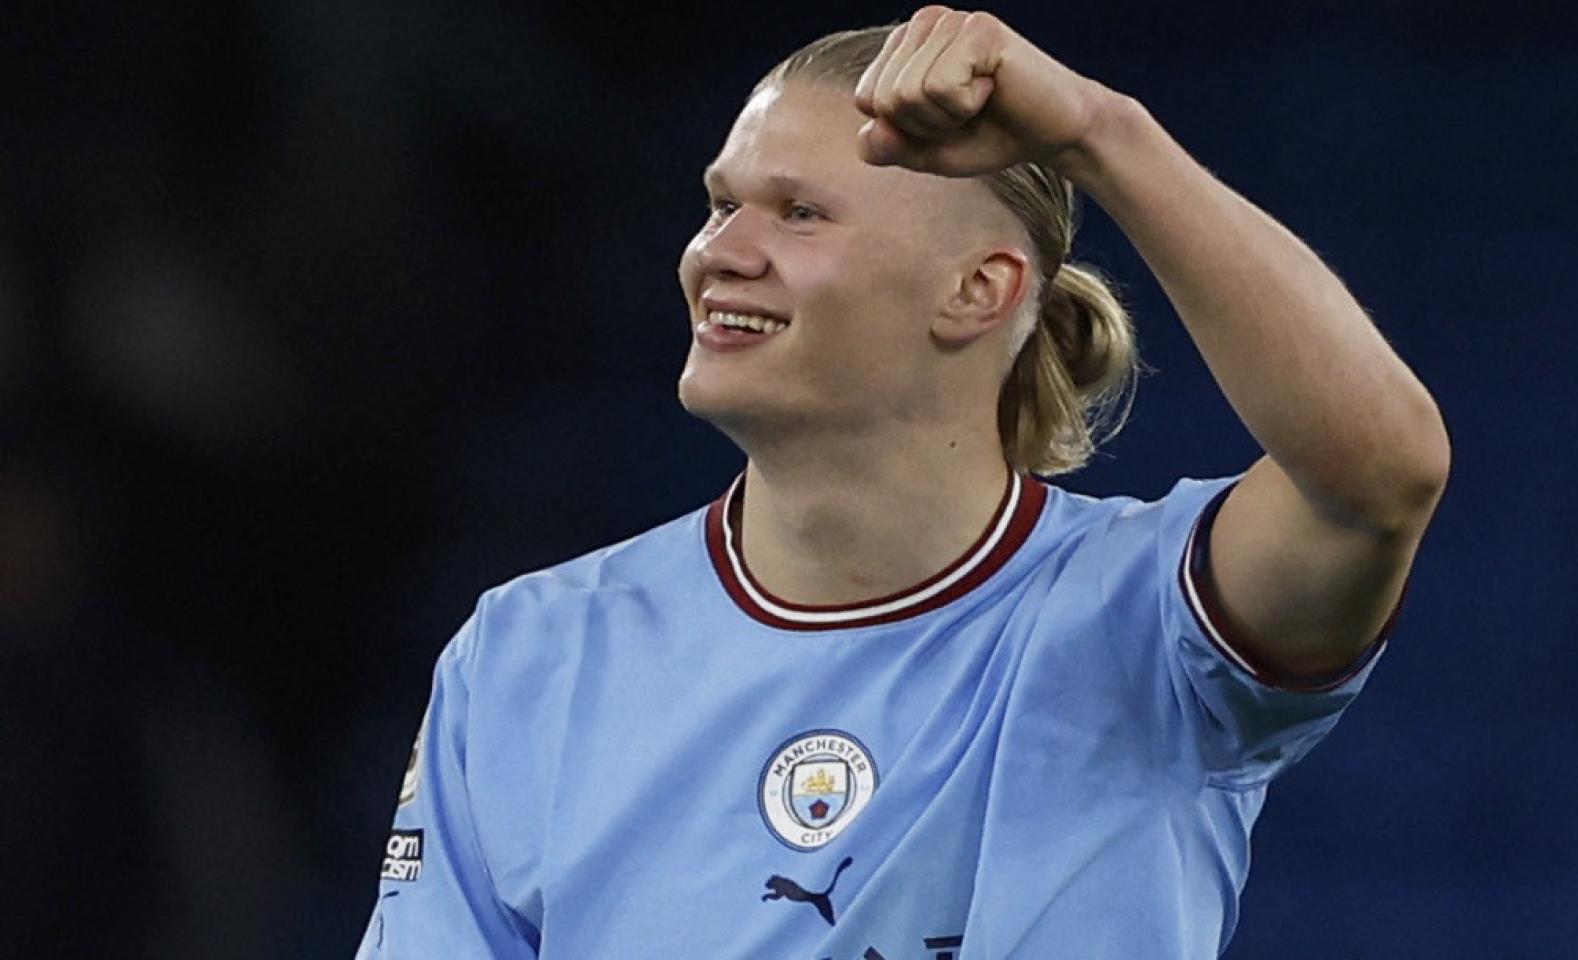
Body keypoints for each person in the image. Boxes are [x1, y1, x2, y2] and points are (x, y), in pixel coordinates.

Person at [354, 7, 1449, 958]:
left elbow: (1378, 476)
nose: (717, 251)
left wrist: (1098, 134)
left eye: (797, 213)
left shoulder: (1149, 621)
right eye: (717, 204)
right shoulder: (532, 652)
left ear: (977, 290)